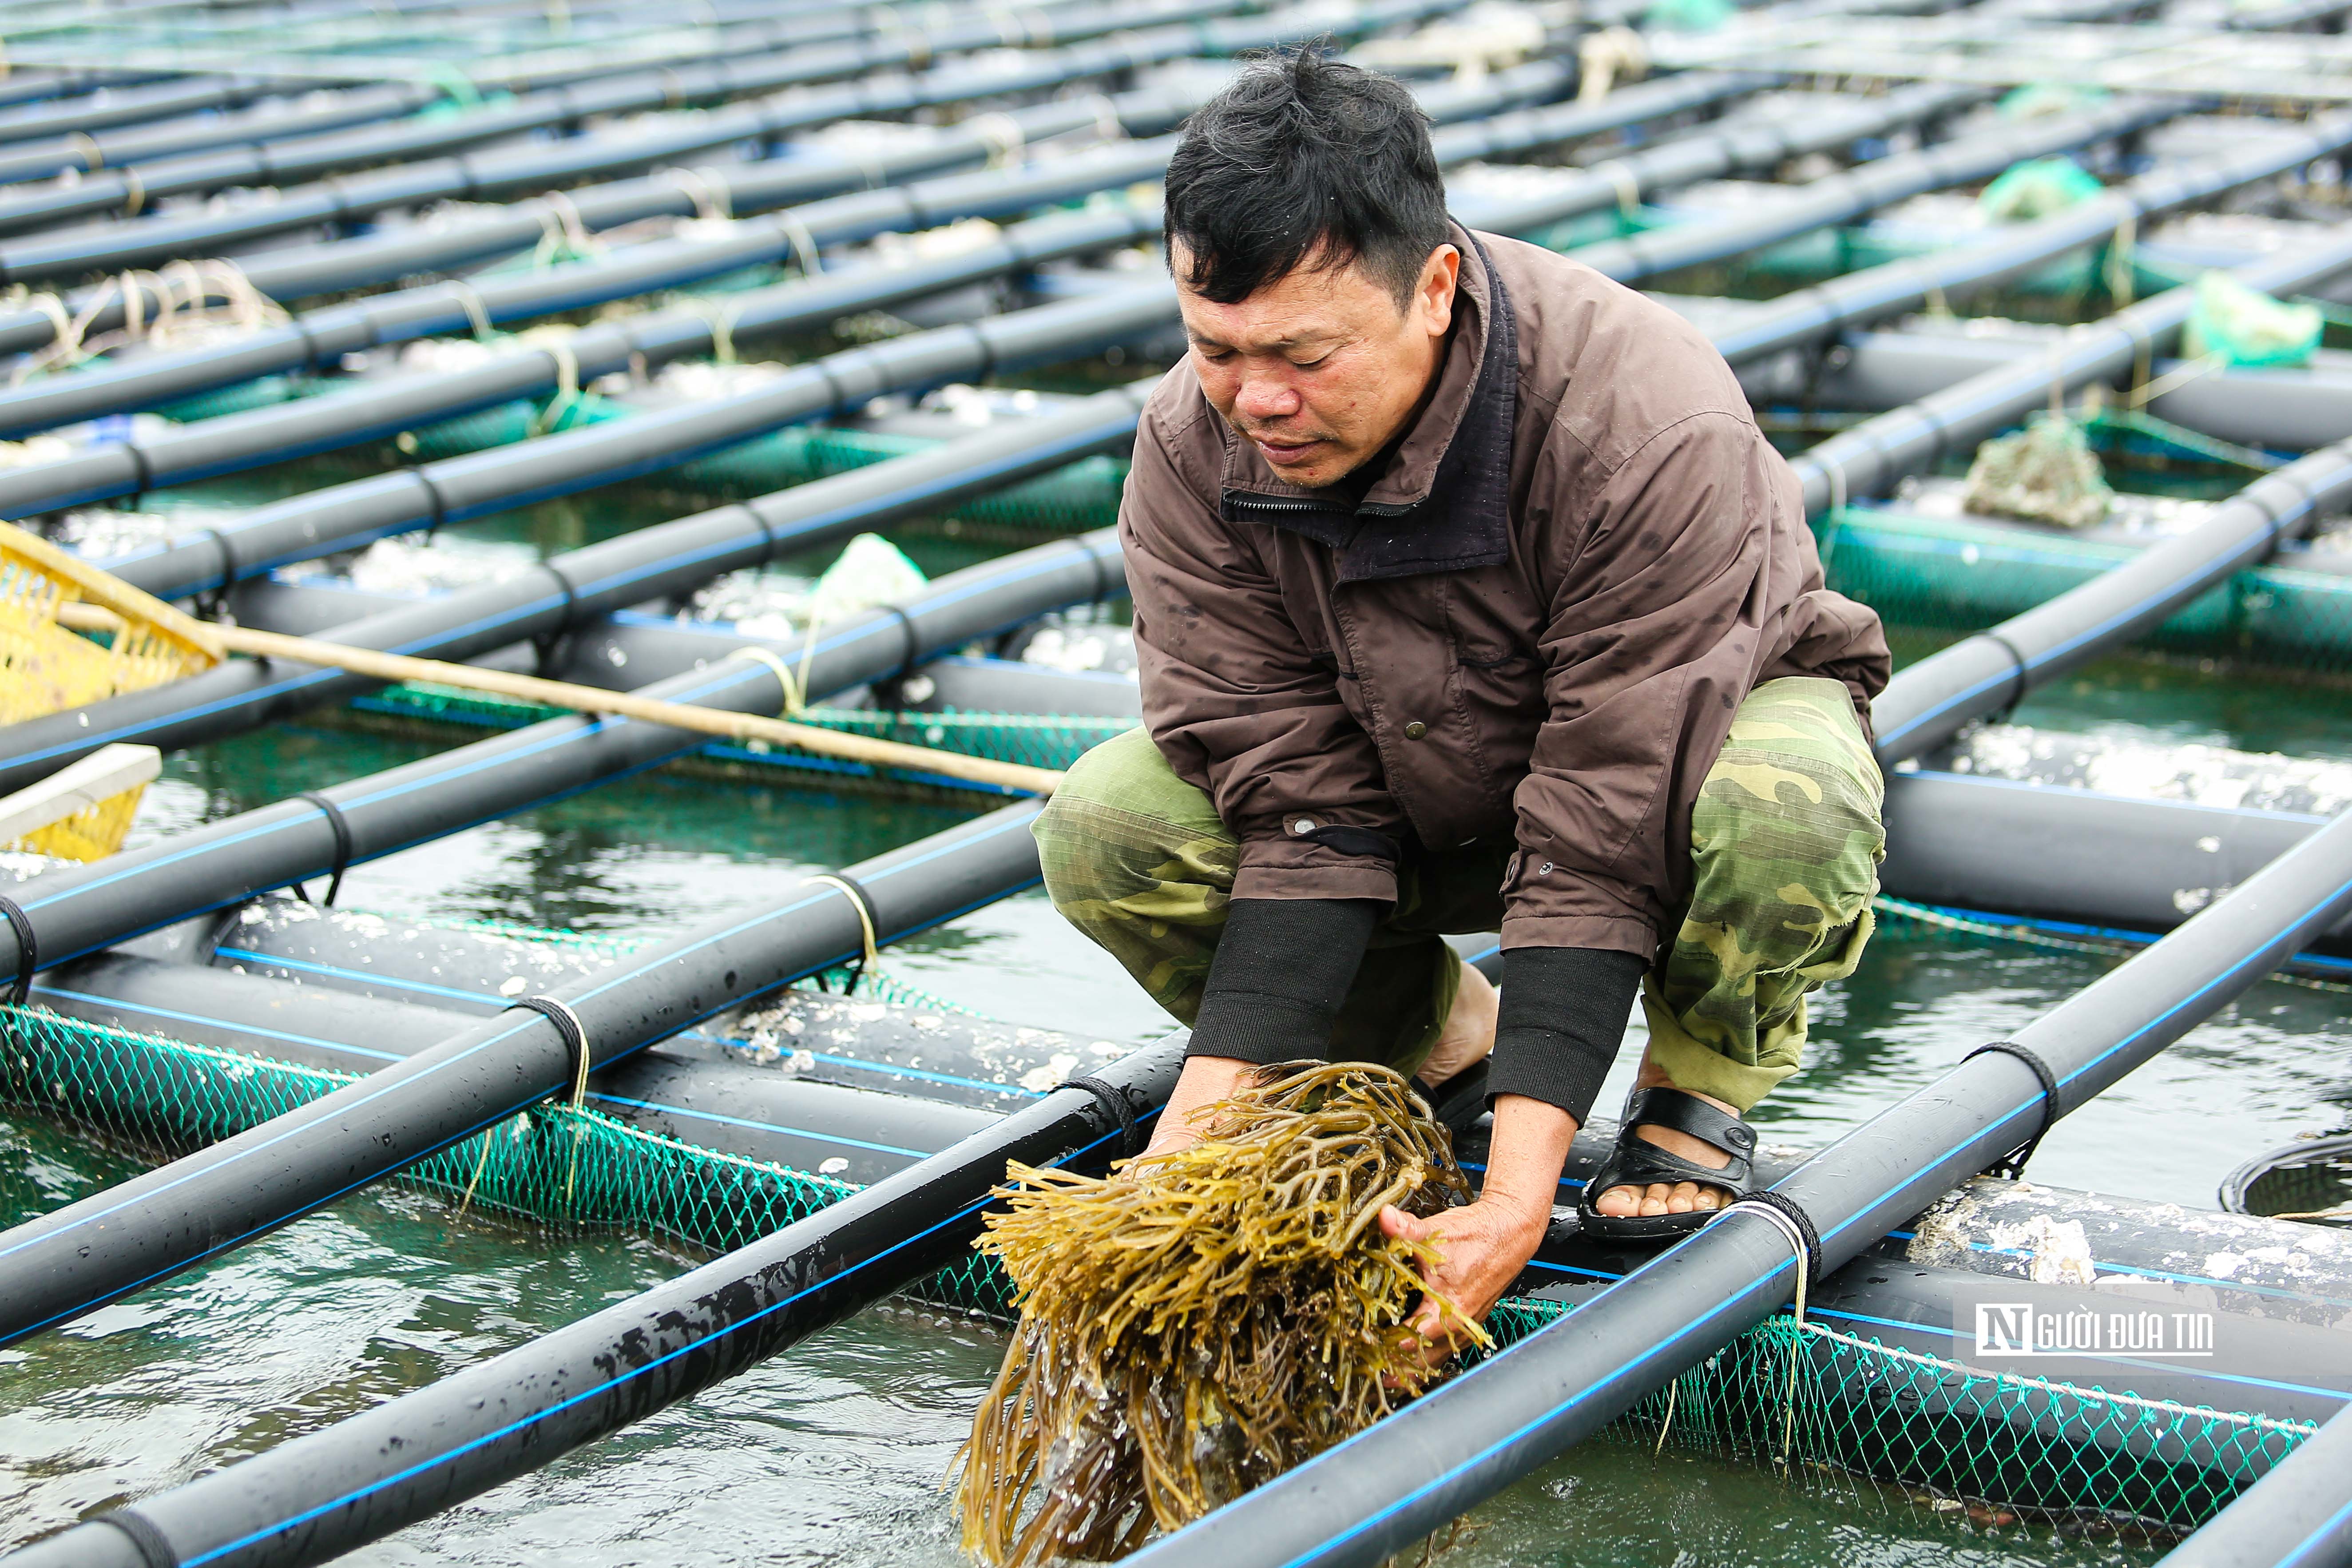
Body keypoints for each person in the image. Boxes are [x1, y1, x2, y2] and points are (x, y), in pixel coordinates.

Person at [1032, 50, 1891, 1352]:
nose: (1258, 399)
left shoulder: (1640, 416)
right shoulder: (1192, 442)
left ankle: (1693, 1078)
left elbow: (1606, 815)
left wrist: (1515, 1198)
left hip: (1676, 754)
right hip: (1405, 776)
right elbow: (1296, 805)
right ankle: (1442, 1042)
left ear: (1433, 289)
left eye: (1305, 356)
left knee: (1786, 816)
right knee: (1108, 825)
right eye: (1216, 348)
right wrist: (1189, 1142)